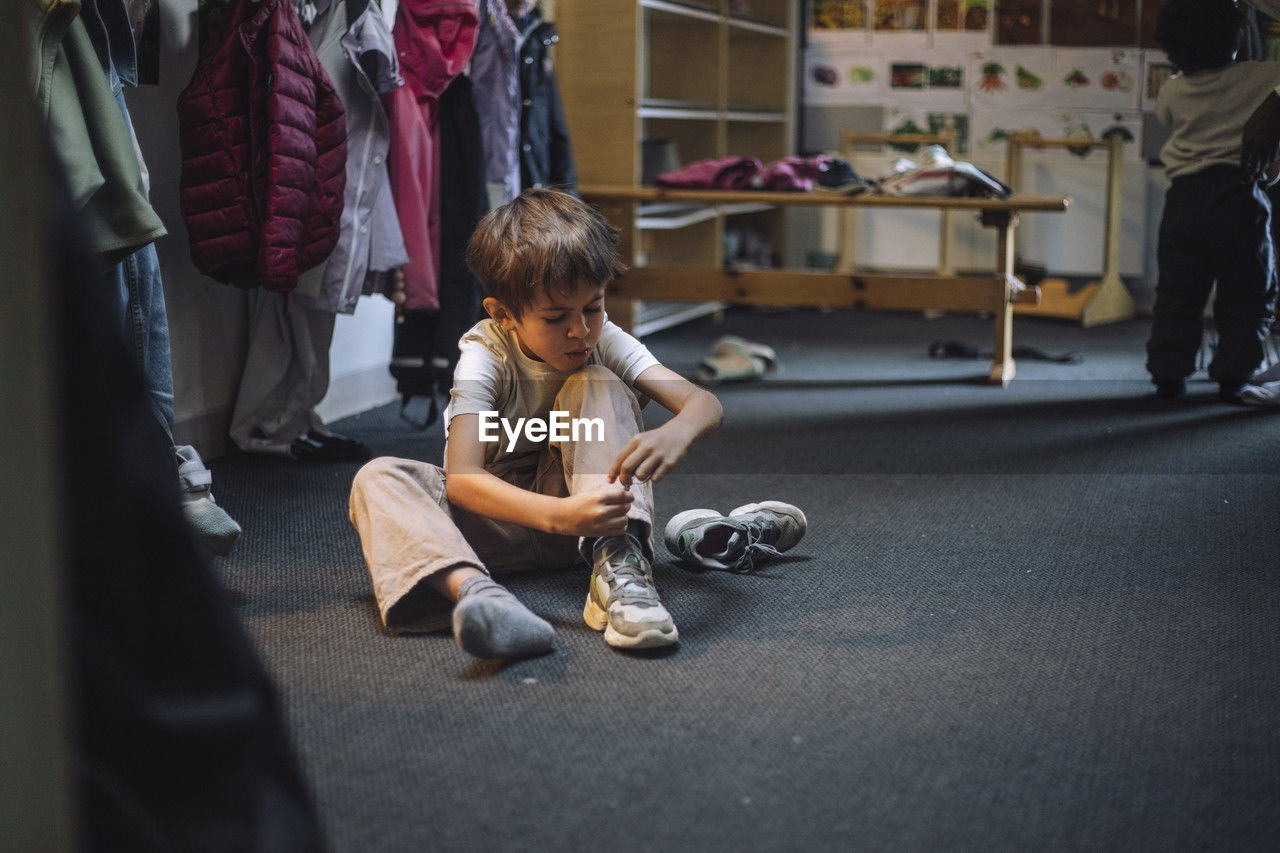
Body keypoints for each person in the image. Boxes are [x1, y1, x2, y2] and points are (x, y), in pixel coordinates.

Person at [348, 188, 806, 658]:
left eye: (593, 307)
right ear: (502, 314)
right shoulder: (483, 355)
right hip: (504, 521)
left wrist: (677, 430)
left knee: (596, 381)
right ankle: (481, 597)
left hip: (592, 521)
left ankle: (621, 571)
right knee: (378, 476)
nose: (580, 331)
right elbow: (463, 480)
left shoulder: (602, 337)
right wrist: (558, 517)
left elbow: (702, 402)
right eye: (555, 317)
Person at [1146, 0, 1279, 401]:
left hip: (1183, 200)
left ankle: (1169, 375)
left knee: (1177, 293)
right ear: (1237, 38)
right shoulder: (1264, 77)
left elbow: (1168, 120)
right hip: (1239, 196)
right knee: (1247, 292)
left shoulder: (1171, 91)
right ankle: (1234, 376)